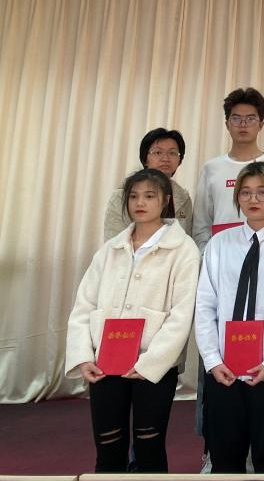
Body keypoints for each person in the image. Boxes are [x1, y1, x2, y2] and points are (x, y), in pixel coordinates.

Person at [67, 168, 200, 472]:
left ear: (166, 200)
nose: (140, 203)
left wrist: (150, 363)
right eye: (134, 196)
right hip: (105, 363)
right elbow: (84, 305)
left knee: (149, 445)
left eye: (150, 196)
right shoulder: (110, 249)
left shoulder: (184, 250)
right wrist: (84, 356)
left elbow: (182, 314)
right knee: (107, 444)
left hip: (152, 367)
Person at [194, 161, 264, 473]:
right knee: (225, 457)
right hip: (224, 369)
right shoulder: (220, 243)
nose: (253, 199)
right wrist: (212, 360)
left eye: (262, 192)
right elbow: (205, 305)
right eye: (245, 193)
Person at [192, 87, 264, 253]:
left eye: (250, 119)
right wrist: (207, 255)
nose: (243, 124)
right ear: (227, 124)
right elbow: (201, 223)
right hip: (221, 253)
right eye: (236, 118)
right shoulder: (211, 167)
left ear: (261, 125)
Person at [103, 128, 194, 241]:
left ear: (179, 160)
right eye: (158, 152)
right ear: (145, 158)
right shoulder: (121, 195)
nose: (165, 158)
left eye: (172, 153)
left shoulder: (184, 199)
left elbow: (187, 240)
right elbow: (113, 242)